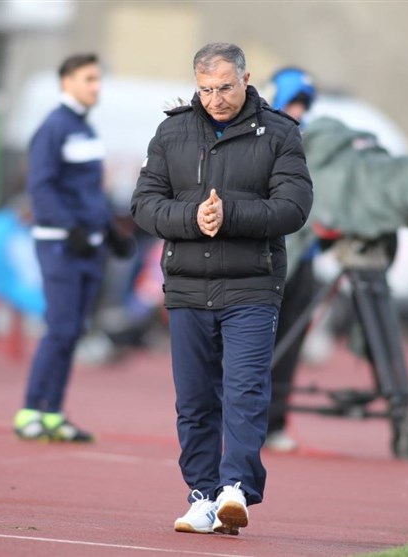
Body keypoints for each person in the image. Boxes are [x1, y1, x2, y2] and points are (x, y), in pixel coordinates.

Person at [131, 43, 312, 535]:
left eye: (225, 88)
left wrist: (229, 214)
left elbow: (294, 208)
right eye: (206, 89)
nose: (215, 100)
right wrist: (193, 217)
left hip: (252, 288)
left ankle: (235, 488)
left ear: (246, 79)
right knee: (193, 402)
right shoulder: (171, 132)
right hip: (188, 288)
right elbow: (144, 204)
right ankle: (202, 495)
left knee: (245, 391)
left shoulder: (281, 133)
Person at [13, 53, 128, 442]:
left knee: (74, 331)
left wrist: (110, 231)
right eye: (88, 79)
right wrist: (69, 227)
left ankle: (53, 414)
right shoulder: (53, 127)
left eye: (98, 79)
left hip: (89, 246)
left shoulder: (85, 129)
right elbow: (40, 187)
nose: (96, 86)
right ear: (66, 82)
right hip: (60, 245)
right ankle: (30, 411)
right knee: (60, 328)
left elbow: (90, 192)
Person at [261, 67, 318, 452]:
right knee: (253, 344)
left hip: (304, 259)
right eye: (293, 102)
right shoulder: (260, 137)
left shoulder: (313, 142)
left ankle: (275, 422)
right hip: (267, 255)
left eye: (303, 104)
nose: (298, 111)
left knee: (290, 344)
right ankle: (236, 419)